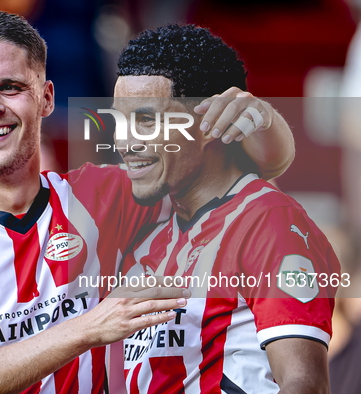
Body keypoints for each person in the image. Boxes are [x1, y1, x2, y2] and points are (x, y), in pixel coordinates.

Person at [0, 12, 297, 393]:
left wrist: (260, 117)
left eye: (10, 87)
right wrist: (89, 329)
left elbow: (257, 168)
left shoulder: (102, 195)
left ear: (46, 98)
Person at [114, 25, 339, 393]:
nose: (124, 141)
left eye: (146, 121)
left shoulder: (268, 222)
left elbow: (305, 385)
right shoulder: (152, 233)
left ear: (207, 125)